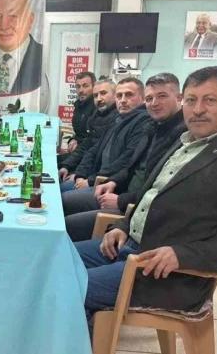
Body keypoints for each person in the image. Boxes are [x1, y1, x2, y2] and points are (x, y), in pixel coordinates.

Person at [76, 66, 217, 319]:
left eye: (210, 100)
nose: (197, 109)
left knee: (59, 286)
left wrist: (182, 255)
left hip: (165, 275)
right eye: (191, 100)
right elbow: (151, 195)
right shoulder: (184, 142)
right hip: (129, 246)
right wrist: (123, 225)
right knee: (53, 260)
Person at [65, 73, 187, 241]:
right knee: (61, 202)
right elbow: (129, 166)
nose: (154, 103)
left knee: (67, 218)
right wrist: (113, 181)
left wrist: (119, 198)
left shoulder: (180, 135)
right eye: (150, 98)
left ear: (179, 98)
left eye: (162, 96)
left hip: (130, 206)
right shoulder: (151, 126)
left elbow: (158, 190)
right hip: (119, 191)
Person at [59, 77, 150, 194]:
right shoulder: (116, 118)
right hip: (94, 175)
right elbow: (93, 149)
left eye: (129, 95)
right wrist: (80, 175)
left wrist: (90, 180)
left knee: (61, 195)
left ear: (143, 98)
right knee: (57, 187)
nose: (123, 100)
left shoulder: (144, 123)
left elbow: (126, 160)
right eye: (119, 96)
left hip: (110, 184)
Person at [58, 78, 118, 177]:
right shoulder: (95, 116)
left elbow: (98, 155)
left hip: (97, 175)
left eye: (103, 93)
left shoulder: (117, 119)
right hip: (86, 167)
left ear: (115, 95)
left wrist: (79, 175)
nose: (99, 99)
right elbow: (86, 145)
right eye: (96, 95)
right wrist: (67, 166)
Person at [58, 71, 97, 165]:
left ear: (94, 86)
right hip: (77, 152)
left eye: (85, 86)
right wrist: (73, 139)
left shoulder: (96, 108)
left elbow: (94, 139)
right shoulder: (78, 106)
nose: (81, 90)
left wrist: (78, 145)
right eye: (78, 86)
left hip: (88, 156)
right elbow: (80, 132)